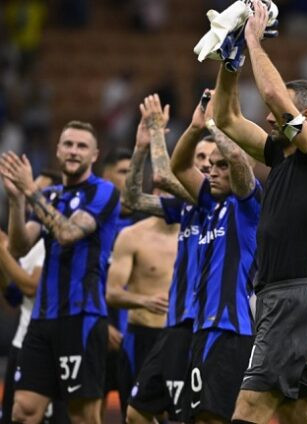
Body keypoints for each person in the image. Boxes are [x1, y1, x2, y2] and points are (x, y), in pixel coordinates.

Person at [212, 2, 307, 422]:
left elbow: (271, 95)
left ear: (306, 117)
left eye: (279, 115)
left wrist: (252, 39)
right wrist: (231, 62)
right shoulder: (279, 155)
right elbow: (226, 119)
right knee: (296, 414)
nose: (267, 117)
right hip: (280, 297)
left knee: (248, 408)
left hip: (288, 297)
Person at [0, 120, 120, 423]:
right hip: (41, 321)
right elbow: (20, 246)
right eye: (68, 144)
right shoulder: (50, 195)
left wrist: (30, 190)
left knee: (83, 416)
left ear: (95, 155)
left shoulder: (103, 192)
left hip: (81, 318)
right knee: (23, 411)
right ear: (58, 150)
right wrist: (16, 201)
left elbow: (67, 233)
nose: (74, 151)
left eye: (82, 146)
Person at [171, 88, 261, 424]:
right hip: (202, 326)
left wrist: (214, 124)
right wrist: (196, 127)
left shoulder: (248, 206)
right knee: (198, 417)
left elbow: (238, 159)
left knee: (214, 417)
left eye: (221, 166)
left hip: (229, 330)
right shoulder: (210, 205)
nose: (212, 171)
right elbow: (178, 166)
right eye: (210, 166)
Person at [122, 94, 213, 423]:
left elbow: (162, 176)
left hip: (204, 327)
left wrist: (158, 131)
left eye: (208, 158)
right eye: (198, 155)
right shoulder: (186, 206)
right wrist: (140, 149)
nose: (202, 163)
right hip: (173, 326)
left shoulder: (218, 201)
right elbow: (133, 198)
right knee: (137, 413)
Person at [0, 172, 69, 424]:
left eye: (36, 192)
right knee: (14, 415)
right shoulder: (29, 240)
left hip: (49, 342)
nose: (31, 200)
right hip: (24, 340)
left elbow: (31, 287)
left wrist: (1, 249)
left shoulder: (48, 242)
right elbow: (15, 296)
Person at [105, 214, 179, 420]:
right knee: (134, 413)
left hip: (180, 337)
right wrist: (145, 301)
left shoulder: (200, 233)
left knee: (181, 414)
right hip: (142, 337)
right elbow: (112, 293)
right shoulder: (132, 236)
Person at [100, 147, 148, 416]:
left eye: (135, 171)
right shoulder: (92, 224)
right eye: (123, 172)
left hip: (139, 335)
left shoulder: (150, 222)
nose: (131, 177)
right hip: (97, 331)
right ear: (105, 179)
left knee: (139, 411)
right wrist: (102, 323)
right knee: (88, 412)